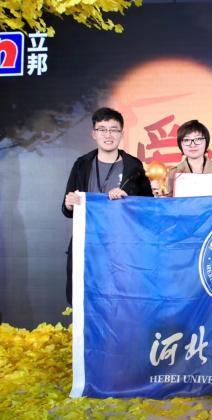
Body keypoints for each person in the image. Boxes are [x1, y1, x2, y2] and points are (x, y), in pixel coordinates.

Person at [62, 107, 152, 304]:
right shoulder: (82, 164)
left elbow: (148, 207)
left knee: (122, 302)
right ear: (94, 134)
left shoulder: (134, 166)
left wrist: (128, 199)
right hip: (88, 247)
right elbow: (67, 208)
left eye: (113, 129)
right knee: (86, 301)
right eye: (102, 129)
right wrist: (69, 204)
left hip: (123, 248)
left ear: (121, 133)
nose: (108, 135)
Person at [163, 120, 212, 196]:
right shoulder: (174, 172)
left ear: (206, 141)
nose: (192, 145)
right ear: (180, 144)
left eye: (198, 139)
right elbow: (169, 201)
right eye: (186, 140)